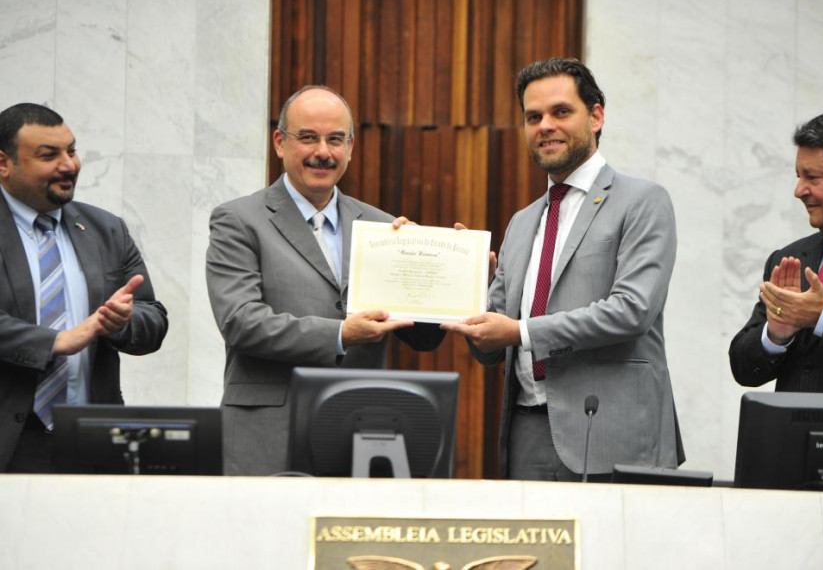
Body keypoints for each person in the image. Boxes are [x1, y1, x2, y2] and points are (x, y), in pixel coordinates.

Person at [442, 58, 684, 481]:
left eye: (560, 112)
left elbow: (632, 310)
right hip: (527, 432)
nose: (545, 126)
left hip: (613, 432)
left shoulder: (643, 201)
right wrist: (469, 290)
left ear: (596, 116)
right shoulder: (521, 223)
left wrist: (520, 331)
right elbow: (490, 349)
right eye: (533, 117)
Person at [206, 85, 445, 476]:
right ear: (280, 143)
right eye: (308, 137)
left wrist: (452, 280)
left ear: (351, 147)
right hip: (265, 433)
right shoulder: (238, 220)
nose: (323, 152)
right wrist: (340, 334)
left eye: (335, 139)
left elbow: (423, 338)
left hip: (359, 429)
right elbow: (241, 322)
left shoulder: (384, 228)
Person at [0, 103, 168, 473]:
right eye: (49, 155)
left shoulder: (106, 229)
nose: (69, 165)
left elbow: (152, 318)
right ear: (3, 163)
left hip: (93, 439)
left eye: (71, 151)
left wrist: (122, 321)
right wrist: (54, 342)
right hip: (12, 441)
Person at [729, 112, 823, 393]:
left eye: (812, 177)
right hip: (793, 435)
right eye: (798, 177)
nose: (799, 190)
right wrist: (776, 335)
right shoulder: (789, 258)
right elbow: (744, 369)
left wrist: (822, 316)